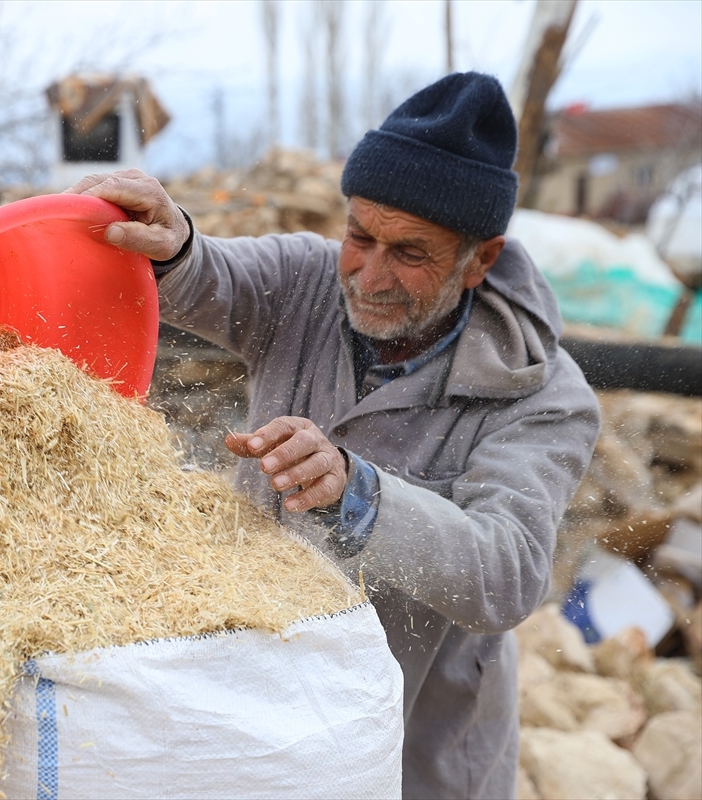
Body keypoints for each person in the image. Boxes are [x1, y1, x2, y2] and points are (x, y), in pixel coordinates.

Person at [68, 72, 601, 799]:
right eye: (360, 236)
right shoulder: (308, 282)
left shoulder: (540, 392)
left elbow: (506, 575)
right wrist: (174, 243)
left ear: (480, 259)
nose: (368, 275)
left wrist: (359, 497)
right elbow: (210, 273)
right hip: (261, 699)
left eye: (410, 253)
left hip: (420, 740)